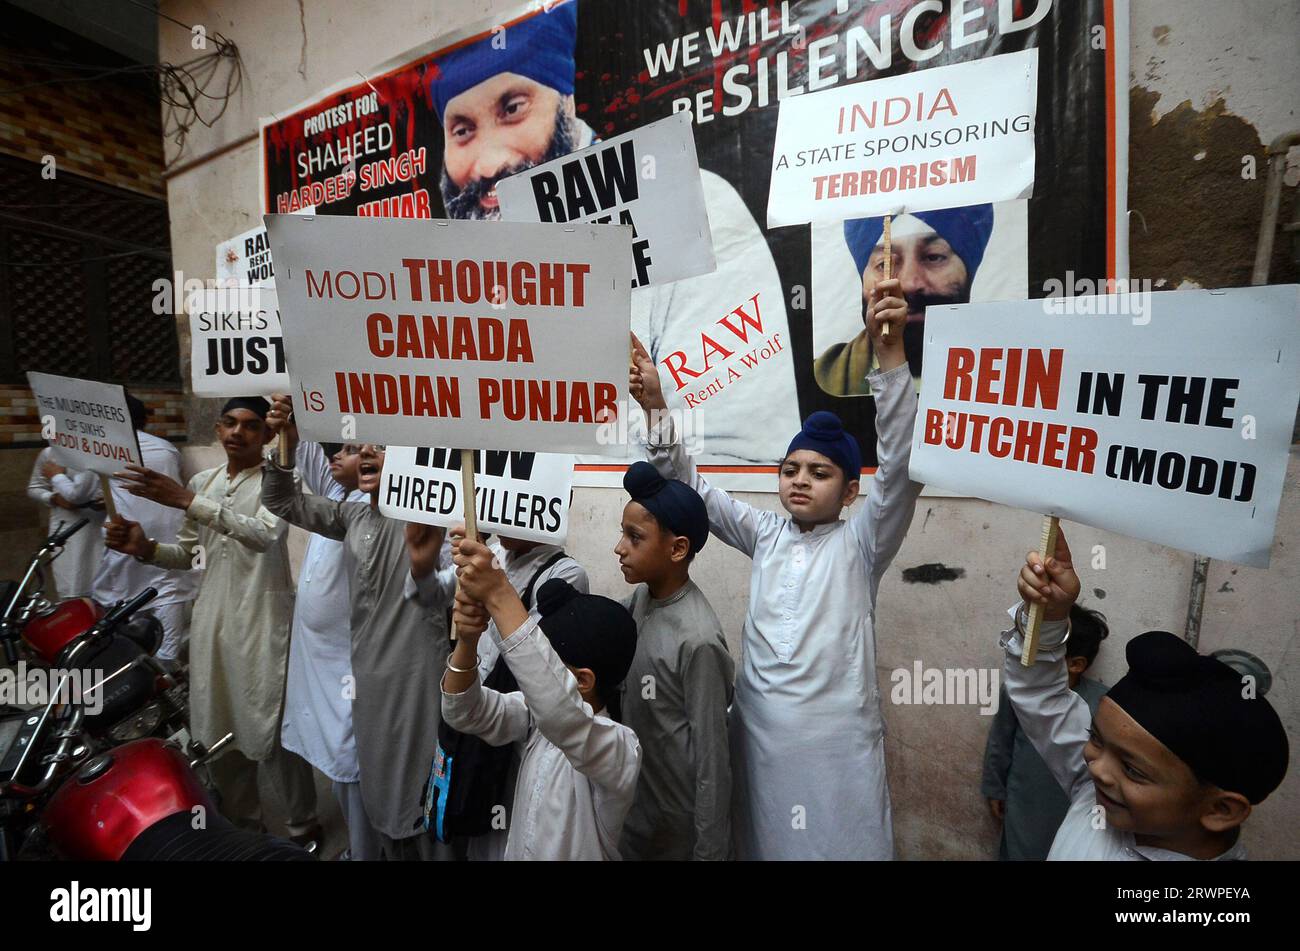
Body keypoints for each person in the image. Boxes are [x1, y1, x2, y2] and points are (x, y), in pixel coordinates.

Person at [628, 267, 920, 860]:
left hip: (835, 751)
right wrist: (657, 405)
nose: (801, 483)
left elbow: (899, 472)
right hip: (759, 741)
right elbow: (690, 485)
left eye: (820, 473)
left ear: (849, 492)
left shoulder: (861, 544)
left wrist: (890, 356)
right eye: (791, 471)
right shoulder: (765, 534)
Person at [430, 0, 800, 464]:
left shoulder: (691, 205)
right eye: (462, 130)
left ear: (565, 102)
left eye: (513, 109)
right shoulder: (460, 267)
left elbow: (736, 460)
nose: (488, 162)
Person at [103, 397, 318, 845]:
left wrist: (186, 499)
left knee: (272, 728)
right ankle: (243, 829)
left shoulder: (281, 482)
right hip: (213, 622)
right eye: (229, 423)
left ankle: (302, 826)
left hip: (263, 620)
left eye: (251, 426)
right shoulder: (205, 481)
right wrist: (145, 549)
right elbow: (186, 554)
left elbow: (261, 534)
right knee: (217, 728)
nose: (237, 432)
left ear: (267, 436)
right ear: (218, 430)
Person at [1004, 527, 1289, 860]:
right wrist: (1050, 617)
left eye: (1134, 770)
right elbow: (1045, 698)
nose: (1096, 768)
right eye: (1095, 738)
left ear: (1221, 809)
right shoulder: (1096, 792)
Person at [260, 394, 450, 861]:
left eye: (379, 446)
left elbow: (456, 585)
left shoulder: (431, 519)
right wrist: (286, 440)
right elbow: (281, 499)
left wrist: (426, 575)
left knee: (416, 797)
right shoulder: (354, 514)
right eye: (359, 445)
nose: (365, 453)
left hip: (415, 681)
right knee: (379, 788)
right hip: (367, 684)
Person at [443, 537, 640, 861]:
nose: (535, 674)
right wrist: (467, 642)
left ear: (582, 680)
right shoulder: (533, 716)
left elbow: (561, 716)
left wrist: (498, 593)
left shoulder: (619, 750)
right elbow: (464, 711)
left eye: (549, 663)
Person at [415, 522, 589, 862]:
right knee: (467, 827)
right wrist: (423, 565)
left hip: (518, 729)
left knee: (508, 826)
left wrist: (490, 590)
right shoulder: (494, 554)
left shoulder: (565, 574)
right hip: (474, 711)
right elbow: (433, 595)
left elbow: (530, 659)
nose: (499, 520)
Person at [616, 461, 733, 861]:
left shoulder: (698, 640)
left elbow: (712, 764)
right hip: (636, 818)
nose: (620, 548)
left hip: (676, 833)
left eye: (635, 537)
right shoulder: (641, 599)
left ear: (678, 548)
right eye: (622, 534)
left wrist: (710, 852)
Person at [279, 440, 380, 860]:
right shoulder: (336, 495)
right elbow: (288, 484)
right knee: (340, 770)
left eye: (351, 449)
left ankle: (366, 852)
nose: (334, 455)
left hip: (352, 664)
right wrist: (290, 424)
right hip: (319, 659)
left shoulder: (383, 512)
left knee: (353, 762)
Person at [815, 204, 995, 395]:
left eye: (933, 257)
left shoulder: (999, 379)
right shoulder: (823, 377)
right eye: (884, 264)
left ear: (968, 273)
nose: (908, 284)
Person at [982, 605, 1109, 860]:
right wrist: (995, 789)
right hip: (1023, 799)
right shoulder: (1017, 693)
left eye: (1043, 653)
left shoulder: (1103, 705)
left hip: (1070, 805)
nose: (1028, 659)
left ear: (1075, 664)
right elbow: (1000, 742)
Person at [92, 393, 197, 664]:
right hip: (170, 539)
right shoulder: (166, 449)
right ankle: (166, 669)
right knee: (169, 597)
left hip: (128, 541)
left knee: (124, 612)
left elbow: (79, 494)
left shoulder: (103, 452)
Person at [26, 449, 104, 598]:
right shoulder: (51, 453)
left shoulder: (102, 451)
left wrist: (108, 500)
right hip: (67, 531)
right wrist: (53, 498)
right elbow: (34, 487)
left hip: (102, 528)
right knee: (72, 587)